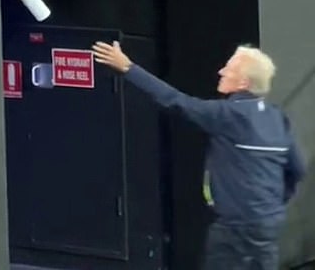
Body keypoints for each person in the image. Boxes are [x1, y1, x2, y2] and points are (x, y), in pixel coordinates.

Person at [92, 39, 305, 268]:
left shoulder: (227, 115)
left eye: (229, 68)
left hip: (235, 229)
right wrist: (273, 206)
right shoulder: (276, 117)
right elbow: (298, 169)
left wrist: (128, 68)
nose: (220, 71)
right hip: (268, 226)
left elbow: (174, 100)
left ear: (243, 82)